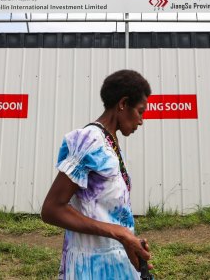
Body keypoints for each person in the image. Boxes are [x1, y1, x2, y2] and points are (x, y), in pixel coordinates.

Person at [41, 69, 153, 279]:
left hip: (113, 262)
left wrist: (129, 238)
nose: (141, 121)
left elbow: (105, 211)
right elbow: (51, 209)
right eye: (140, 111)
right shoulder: (90, 141)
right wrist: (119, 233)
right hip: (91, 266)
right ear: (123, 104)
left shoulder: (111, 144)